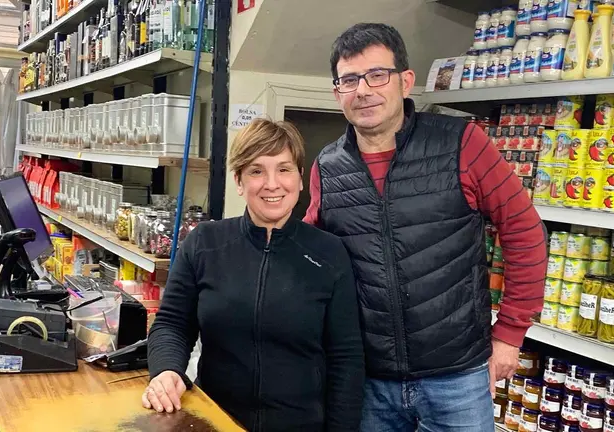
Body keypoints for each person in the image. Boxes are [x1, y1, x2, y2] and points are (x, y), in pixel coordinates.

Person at [303, 23, 547, 430]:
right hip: (368, 382)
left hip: (458, 377)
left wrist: (509, 334)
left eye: (377, 74)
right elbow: (309, 262)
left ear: (406, 81)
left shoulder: (462, 143)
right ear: (337, 93)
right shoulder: (327, 168)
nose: (363, 90)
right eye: (349, 80)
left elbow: (525, 231)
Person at [144, 118, 366, 432]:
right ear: (239, 181)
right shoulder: (204, 243)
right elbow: (172, 325)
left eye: (284, 169)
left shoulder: (329, 253)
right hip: (214, 421)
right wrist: (167, 370)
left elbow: (346, 359)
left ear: (300, 179)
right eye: (257, 170)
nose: (272, 183)